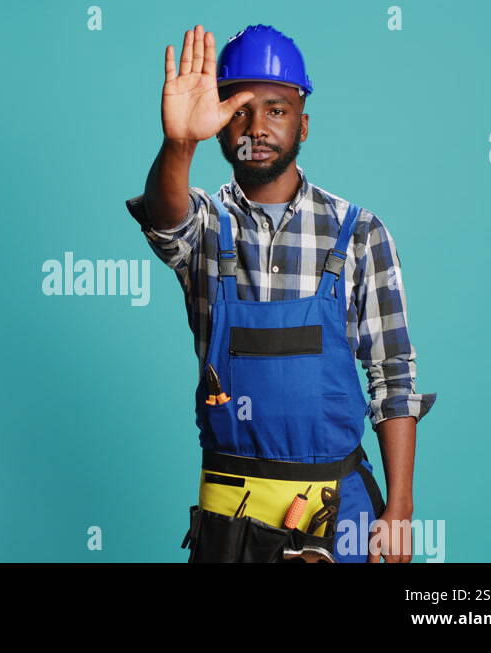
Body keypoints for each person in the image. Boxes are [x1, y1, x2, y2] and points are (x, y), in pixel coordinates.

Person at [124, 24, 437, 563]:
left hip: (335, 513)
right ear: (220, 126)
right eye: (239, 109)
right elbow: (164, 216)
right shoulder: (205, 227)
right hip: (230, 518)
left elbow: (394, 377)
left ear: (303, 123)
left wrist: (400, 510)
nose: (257, 126)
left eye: (276, 109)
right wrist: (179, 145)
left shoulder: (359, 234)